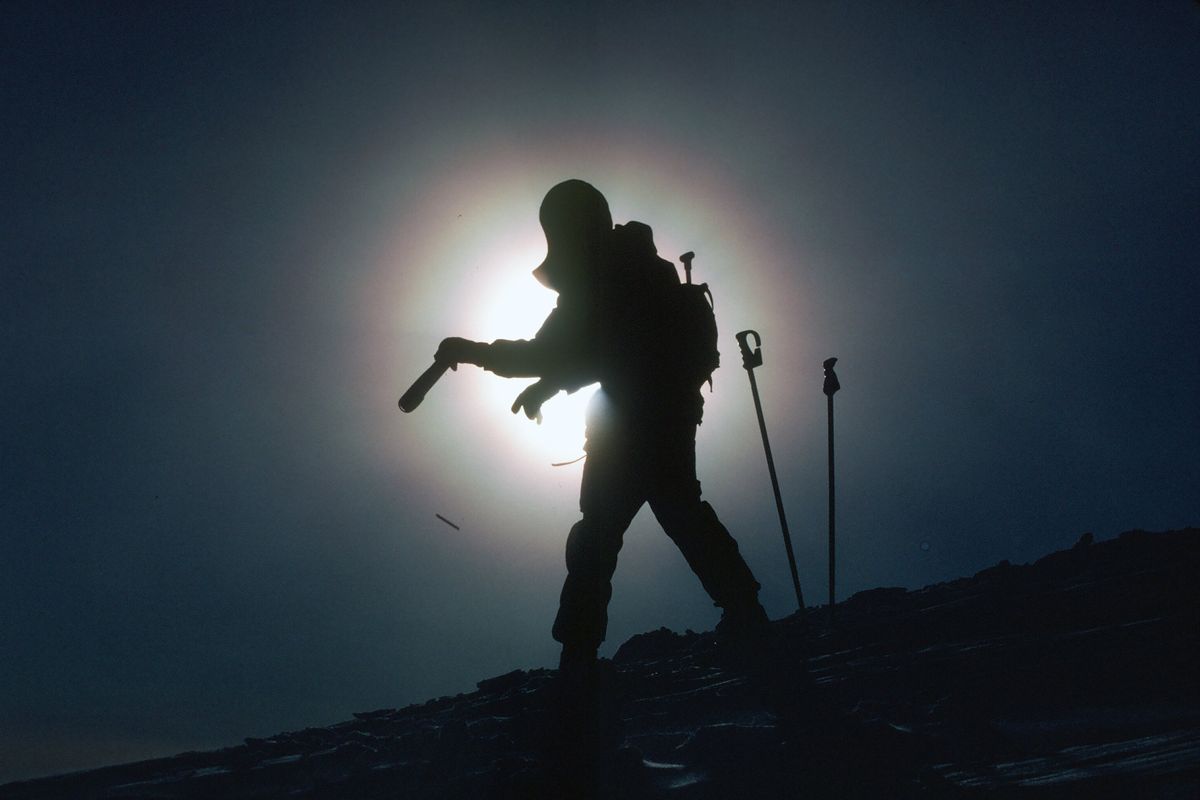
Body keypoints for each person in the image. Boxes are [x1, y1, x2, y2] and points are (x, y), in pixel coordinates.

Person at [436, 179, 768, 671]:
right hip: (668, 415)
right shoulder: (633, 268)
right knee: (679, 513)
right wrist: (548, 386)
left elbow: (555, 350)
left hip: (631, 422)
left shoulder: (602, 276)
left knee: (600, 534)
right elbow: (606, 351)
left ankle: (579, 650)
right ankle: (746, 611)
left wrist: (473, 352)